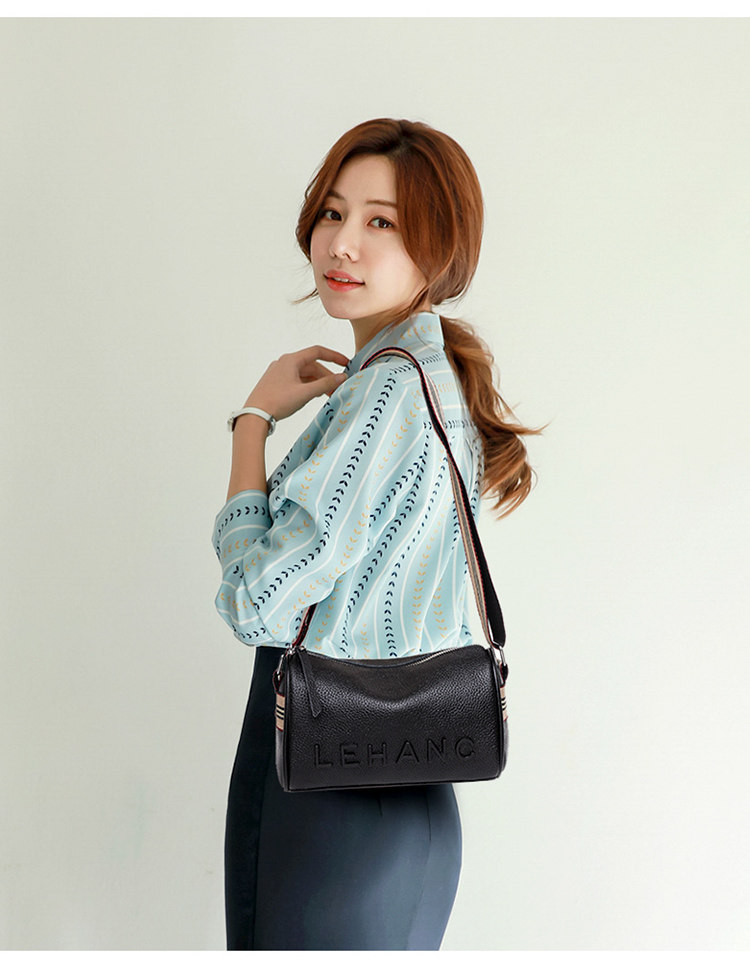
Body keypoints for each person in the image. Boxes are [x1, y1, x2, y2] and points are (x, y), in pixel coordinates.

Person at [211, 117, 539, 951]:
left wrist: (251, 422)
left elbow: (256, 604)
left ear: (439, 248)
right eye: (332, 212)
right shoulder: (433, 373)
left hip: (331, 808)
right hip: (414, 797)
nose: (343, 242)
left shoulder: (384, 394)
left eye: (381, 221)